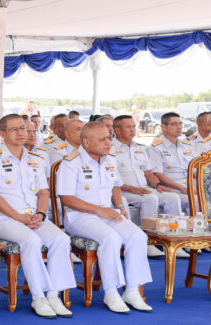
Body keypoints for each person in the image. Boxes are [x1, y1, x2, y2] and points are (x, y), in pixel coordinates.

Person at [0, 115, 74, 318]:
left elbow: (43, 193)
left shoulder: (36, 159)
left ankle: (54, 295)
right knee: (32, 241)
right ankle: (38, 297)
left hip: (34, 217)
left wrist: (40, 213)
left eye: (23, 128)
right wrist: (18, 217)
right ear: (3, 134)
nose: (21, 133)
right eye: (14, 129)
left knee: (61, 239)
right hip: (6, 219)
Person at [57, 121, 152, 313]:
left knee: (138, 236)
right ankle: (111, 292)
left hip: (107, 213)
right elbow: (67, 198)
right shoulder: (70, 163)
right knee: (111, 238)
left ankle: (132, 290)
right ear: (87, 142)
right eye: (102, 140)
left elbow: (116, 185)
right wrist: (98, 210)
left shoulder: (110, 160)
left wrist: (119, 206)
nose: (108, 143)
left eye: (108, 138)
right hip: (80, 217)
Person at [111, 115, 181, 227]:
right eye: (128, 127)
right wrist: (133, 189)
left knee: (172, 197)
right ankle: (149, 234)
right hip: (123, 190)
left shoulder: (140, 148)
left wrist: (157, 185)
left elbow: (148, 173)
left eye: (134, 126)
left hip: (143, 189)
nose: (132, 130)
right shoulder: (110, 149)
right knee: (150, 198)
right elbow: (111, 180)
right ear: (118, 130)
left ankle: (174, 231)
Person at [148, 112, 194, 215]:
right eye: (174, 124)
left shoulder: (187, 146)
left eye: (180, 123)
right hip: (173, 189)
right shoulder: (156, 148)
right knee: (194, 200)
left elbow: (196, 171)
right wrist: (182, 188)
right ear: (163, 127)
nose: (179, 127)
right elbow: (158, 174)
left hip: (190, 187)